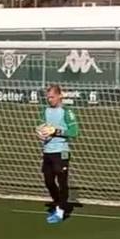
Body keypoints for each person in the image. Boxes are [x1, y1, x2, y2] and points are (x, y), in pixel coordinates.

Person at [36, 84, 79, 224]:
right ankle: (58, 202)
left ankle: (61, 211)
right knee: (48, 181)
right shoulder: (45, 111)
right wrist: (40, 134)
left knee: (62, 182)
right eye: (48, 97)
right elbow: (41, 127)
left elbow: (74, 132)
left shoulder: (67, 112)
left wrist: (56, 131)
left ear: (60, 96)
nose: (50, 100)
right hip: (47, 151)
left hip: (61, 151)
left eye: (52, 97)